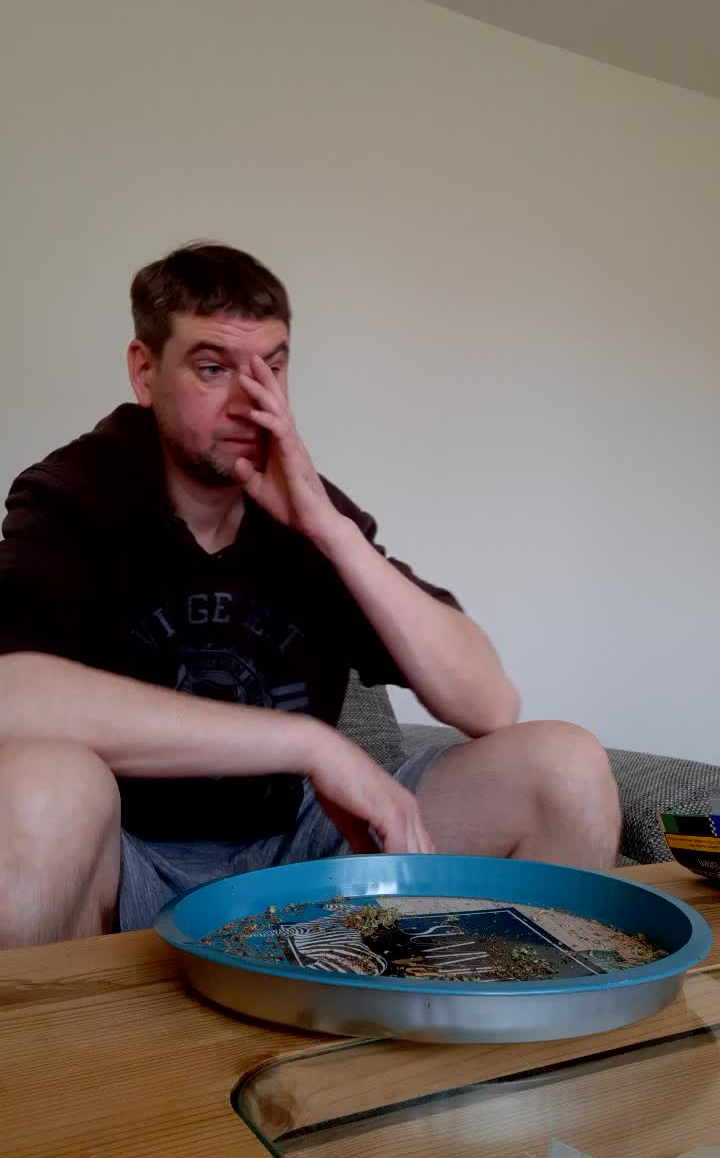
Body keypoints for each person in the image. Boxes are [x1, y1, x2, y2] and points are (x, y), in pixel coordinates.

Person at [0, 243, 620, 947]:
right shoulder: (75, 494)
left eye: (272, 367)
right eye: (213, 368)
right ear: (146, 371)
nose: (250, 401)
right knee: (40, 786)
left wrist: (329, 531)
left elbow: (489, 704)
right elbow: (12, 696)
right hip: (130, 857)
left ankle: (503, 1019)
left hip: (301, 852)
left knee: (564, 768)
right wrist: (310, 745)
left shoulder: (305, 507)